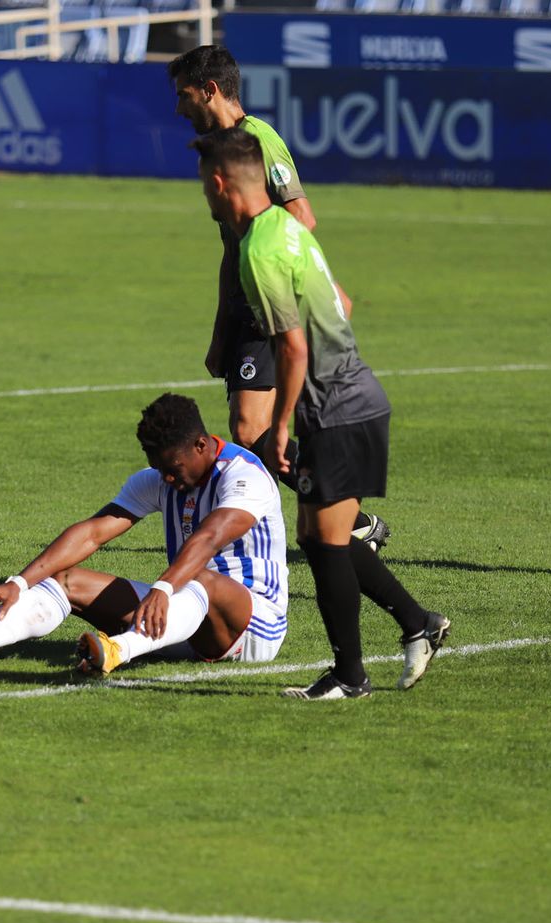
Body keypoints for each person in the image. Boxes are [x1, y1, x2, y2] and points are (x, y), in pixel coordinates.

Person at [194, 128, 449, 700]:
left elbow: (292, 348)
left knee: (326, 542)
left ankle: (355, 672)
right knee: (317, 536)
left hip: (336, 408)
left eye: (204, 185)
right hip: (353, 396)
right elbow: (343, 302)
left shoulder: (258, 250)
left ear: (221, 184)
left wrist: (283, 423)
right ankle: (414, 627)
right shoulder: (288, 228)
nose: (204, 196)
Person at [0, 393, 288, 679]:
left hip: (253, 627)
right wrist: (19, 583)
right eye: (159, 469)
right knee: (65, 580)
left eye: (173, 468)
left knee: (201, 578)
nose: (167, 478)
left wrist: (164, 587)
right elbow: (92, 533)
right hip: (180, 617)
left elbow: (210, 537)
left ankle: (118, 650)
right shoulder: (160, 479)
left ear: (201, 445)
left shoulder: (244, 475)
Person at [167, 45, 390, 553]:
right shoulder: (222, 150)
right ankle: (346, 519)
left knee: (250, 430)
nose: (178, 109)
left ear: (210, 91)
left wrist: (285, 281)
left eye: (184, 96)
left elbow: (302, 216)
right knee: (251, 431)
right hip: (246, 305)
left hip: (270, 301)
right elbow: (231, 251)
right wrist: (220, 332)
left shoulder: (259, 141)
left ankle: (345, 517)